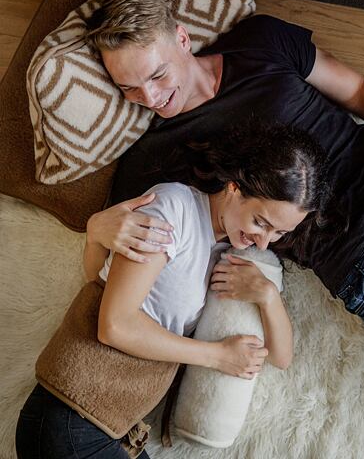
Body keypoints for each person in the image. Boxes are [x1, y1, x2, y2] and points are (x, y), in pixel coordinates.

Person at [84, 0, 364, 359]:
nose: (151, 98)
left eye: (158, 75)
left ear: (182, 39)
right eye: (129, 88)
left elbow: (360, 91)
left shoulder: (260, 40)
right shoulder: (153, 159)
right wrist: (96, 229)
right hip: (358, 257)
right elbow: (108, 281)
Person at [16, 120, 329, 459]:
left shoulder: (229, 253)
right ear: (234, 187)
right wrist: (218, 356)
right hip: (70, 419)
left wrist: (267, 296)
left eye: (279, 233)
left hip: (107, 427)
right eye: (261, 223)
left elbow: (281, 357)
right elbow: (115, 324)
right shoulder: (172, 209)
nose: (264, 241)